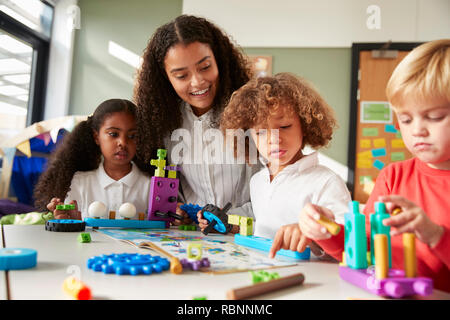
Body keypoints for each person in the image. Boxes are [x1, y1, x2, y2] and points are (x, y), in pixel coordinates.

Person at [305, 39, 450, 292]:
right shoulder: (393, 176)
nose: (417, 130)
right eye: (405, 119)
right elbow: (366, 249)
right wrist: (327, 233)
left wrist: (437, 236)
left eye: (434, 117)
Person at [213, 72, 351, 258]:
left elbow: (349, 242)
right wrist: (225, 222)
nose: (273, 140)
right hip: (260, 270)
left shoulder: (326, 182)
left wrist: (311, 234)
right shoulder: (258, 181)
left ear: (305, 126)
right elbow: (264, 225)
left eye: (285, 127)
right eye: (261, 132)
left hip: (307, 280)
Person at [133, 15, 257, 220]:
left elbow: (276, 186)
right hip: (190, 237)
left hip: (248, 234)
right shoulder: (163, 122)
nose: (198, 82)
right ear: (166, 78)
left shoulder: (253, 112)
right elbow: (173, 186)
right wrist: (178, 206)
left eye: (205, 67)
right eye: (182, 76)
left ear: (219, 59)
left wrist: (228, 220)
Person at [33, 99, 151, 220]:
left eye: (132, 136)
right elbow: (71, 232)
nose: (123, 142)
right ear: (96, 137)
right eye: (113, 134)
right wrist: (66, 220)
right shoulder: (79, 182)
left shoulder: (151, 186)